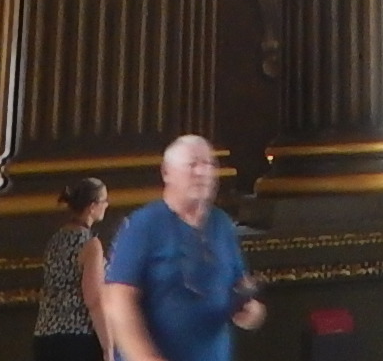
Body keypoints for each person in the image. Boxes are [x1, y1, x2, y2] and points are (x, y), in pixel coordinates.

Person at [102, 137, 265, 361]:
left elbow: (239, 285)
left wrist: (252, 311)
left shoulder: (222, 225)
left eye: (209, 164)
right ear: (167, 172)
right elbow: (118, 302)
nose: (203, 172)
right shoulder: (143, 225)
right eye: (193, 164)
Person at [36, 178, 112, 361]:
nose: (107, 205)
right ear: (92, 207)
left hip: (44, 337)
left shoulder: (55, 240)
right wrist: (108, 346)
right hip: (78, 340)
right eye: (104, 201)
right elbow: (93, 299)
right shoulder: (90, 245)